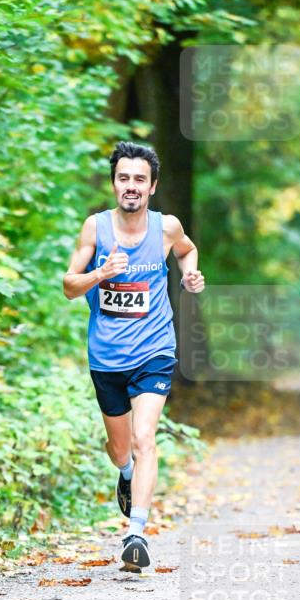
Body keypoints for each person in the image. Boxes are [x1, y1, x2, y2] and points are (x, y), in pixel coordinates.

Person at [63, 141, 204, 569]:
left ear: (152, 186)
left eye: (139, 179)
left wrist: (189, 276)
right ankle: (125, 474)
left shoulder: (166, 228)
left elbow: (188, 250)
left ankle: (136, 534)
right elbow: (69, 286)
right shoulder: (95, 229)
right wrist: (100, 273)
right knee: (120, 448)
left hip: (154, 350)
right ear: (113, 183)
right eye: (124, 178)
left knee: (145, 439)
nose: (131, 186)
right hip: (106, 357)